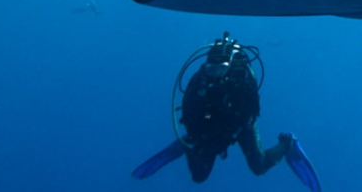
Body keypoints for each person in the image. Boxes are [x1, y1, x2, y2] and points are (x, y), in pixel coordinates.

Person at [132, 33, 321, 190]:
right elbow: (188, 110)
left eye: (220, 69)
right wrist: (199, 132)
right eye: (212, 68)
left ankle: (287, 144)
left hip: (241, 125)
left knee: (259, 166)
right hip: (210, 123)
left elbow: (253, 110)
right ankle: (188, 143)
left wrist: (233, 130)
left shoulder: (244, 77)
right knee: (199, 176)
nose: (215, 73)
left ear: (229, 66)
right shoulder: (200, 79)